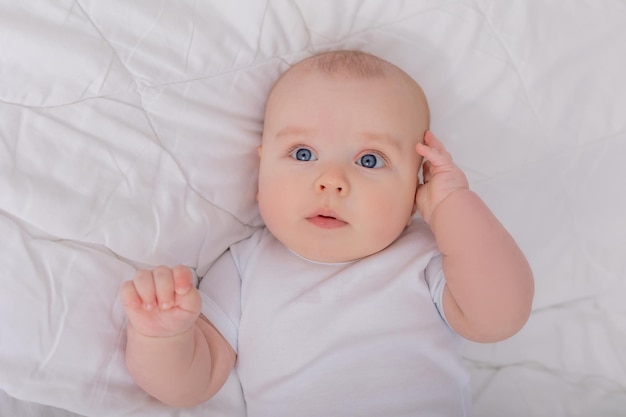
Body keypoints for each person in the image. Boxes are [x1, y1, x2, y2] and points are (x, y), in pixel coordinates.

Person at [120, 50, 534, 416]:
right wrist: (164, 337)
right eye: (303, 154)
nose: (331, 180)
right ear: (261, 169)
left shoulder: (426, 254)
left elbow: (498, 318)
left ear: (415, 189)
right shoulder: (245, 265)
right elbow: (194, 383)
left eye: (370, 160)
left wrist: (452, 205)